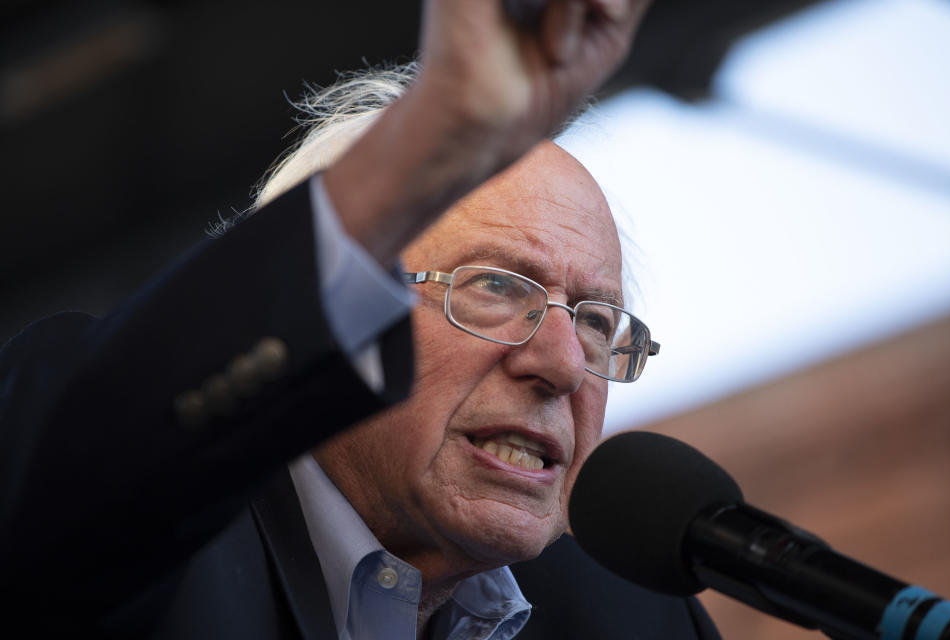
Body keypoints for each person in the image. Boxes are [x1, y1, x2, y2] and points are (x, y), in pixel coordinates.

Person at [0, 0, 719, 637]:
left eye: (596, 322)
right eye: (497, 285)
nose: (563, 363)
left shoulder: (629, 617)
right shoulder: (153, 514)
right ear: (338, 314)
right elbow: (73, 483)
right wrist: (438, 133)